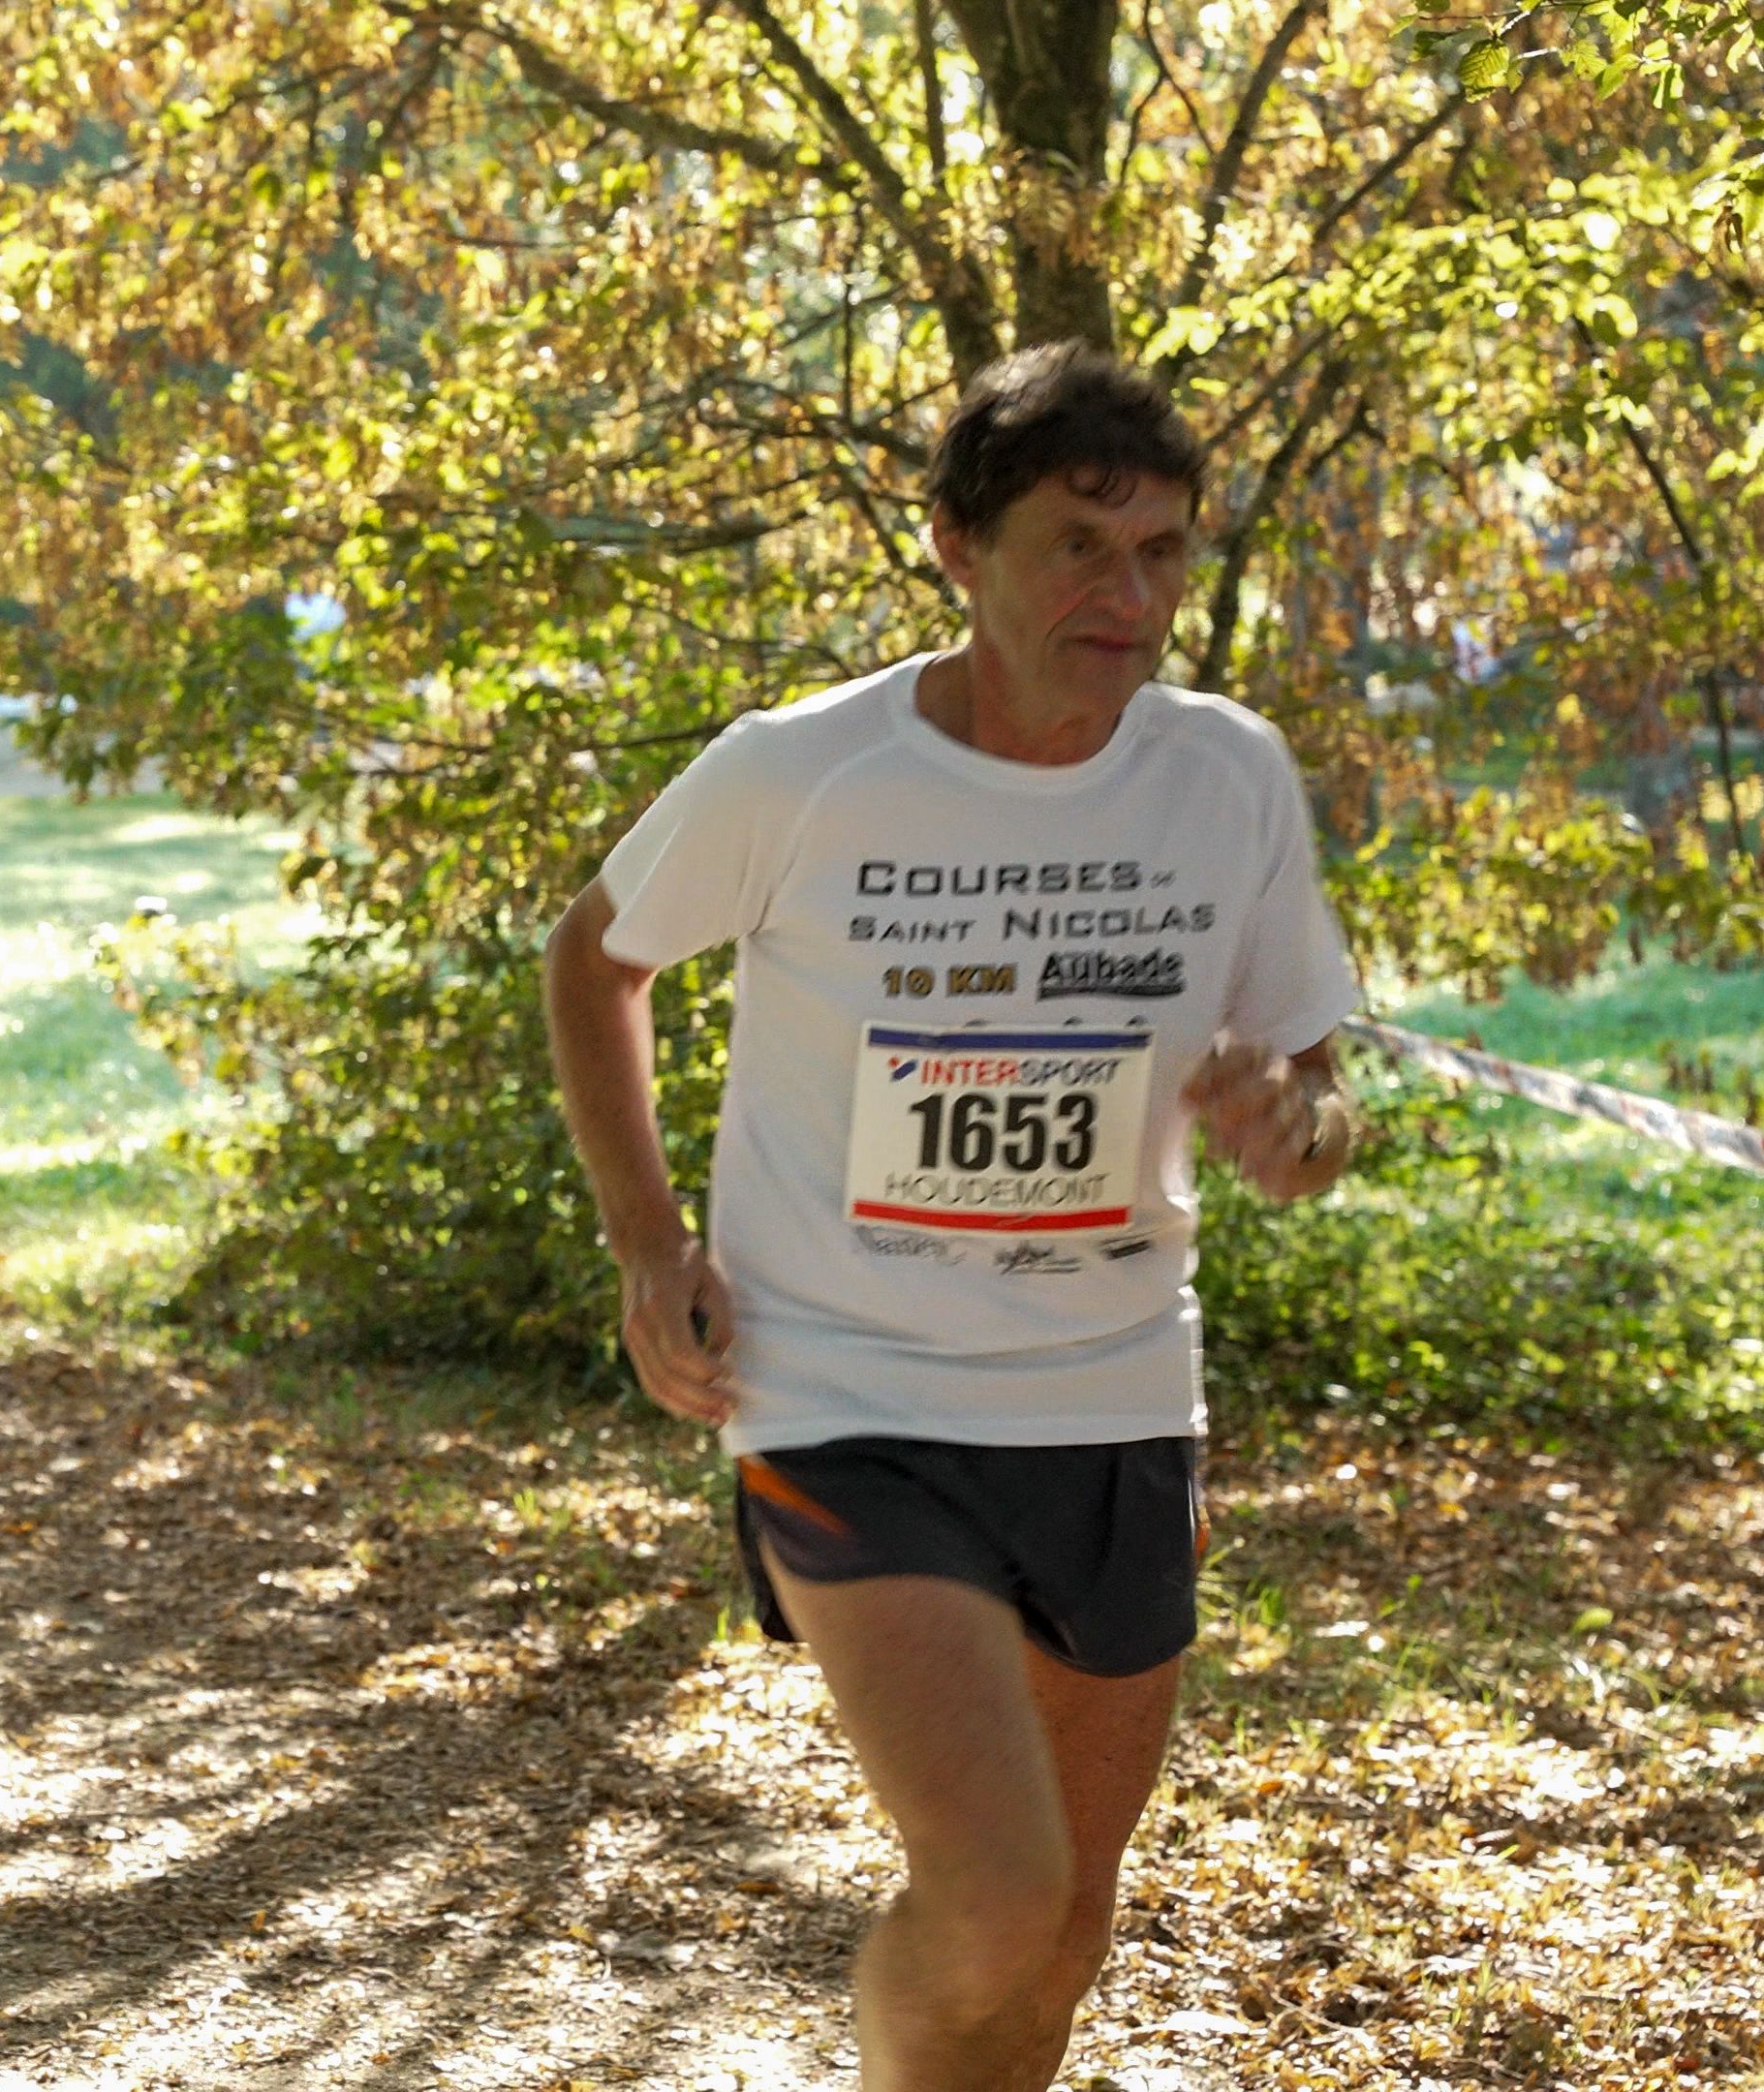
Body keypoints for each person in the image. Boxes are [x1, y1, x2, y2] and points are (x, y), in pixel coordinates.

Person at [542, 344, 1360, 2091]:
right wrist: (648, 1242)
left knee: (1060, 1943)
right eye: (1078, 545)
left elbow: (1314, 1101)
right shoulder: (806, 771)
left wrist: (1292, 1127)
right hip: (846, 1393)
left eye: (1160, 552)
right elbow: (593, 956)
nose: (1125, 596)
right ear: (958, 546)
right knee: (993, 1895)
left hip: (1114, 1396)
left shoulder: (1227, 776)